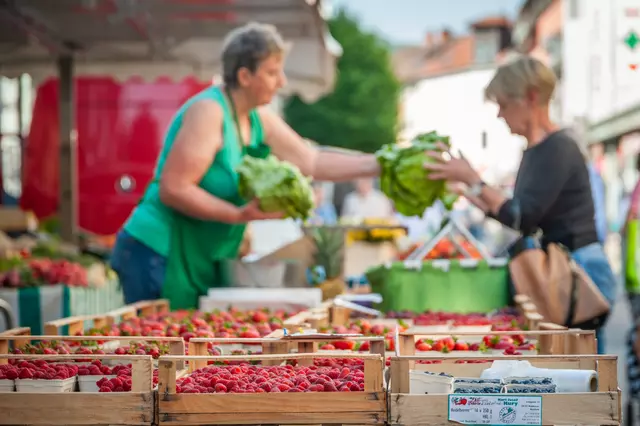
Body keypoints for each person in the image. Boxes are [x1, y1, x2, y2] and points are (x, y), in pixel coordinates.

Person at [110, 22, 381, 310]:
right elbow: (174, 189)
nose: (282, 82)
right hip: (159, 250)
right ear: (244, 76)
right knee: (155, 344)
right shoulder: (209, 111)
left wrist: (381, 163)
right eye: (272, 72)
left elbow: (311, 160)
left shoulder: (256, 118)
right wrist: (238, 214)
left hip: (198, 253)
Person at [424, 55, 617, 354]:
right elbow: (516, 215)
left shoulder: (559, 147)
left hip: (579, 272)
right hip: (563, 268)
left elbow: (523, 215)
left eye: (504, 103)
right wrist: (464, 186)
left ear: (530, 97)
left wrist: (473, 179)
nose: (500, 114)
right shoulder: (536, 150)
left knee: (585, 375)